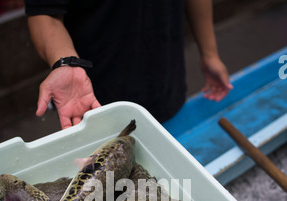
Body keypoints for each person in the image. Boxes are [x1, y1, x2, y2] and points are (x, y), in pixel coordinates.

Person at [25, 0, 233, 130]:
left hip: (168, 82)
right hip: (94, 99)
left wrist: (209, 52)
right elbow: (45, 12)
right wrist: (66, 63)